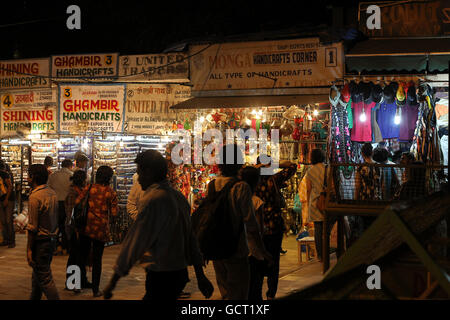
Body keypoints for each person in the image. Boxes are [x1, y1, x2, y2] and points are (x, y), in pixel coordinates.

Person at [102, 150, 214, 300]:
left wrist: (113, 281)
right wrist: (200, 276)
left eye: (139, 172)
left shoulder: (153, 200)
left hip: (161, 274)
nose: (139, 178)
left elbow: (135, 242)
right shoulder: (178, 197)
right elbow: (190, 238)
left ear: (148, 172)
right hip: (179, 273)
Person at [206, 144, 271, 300]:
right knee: (240, 294)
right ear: (239, 163)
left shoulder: (212, 185)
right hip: (235, 248)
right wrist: (262, 250)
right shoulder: (241, 187)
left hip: (217, 248)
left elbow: (209, 217)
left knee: (225, 292)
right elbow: (251, 224)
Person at [254, 156, 296, 300]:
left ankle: (257, 294)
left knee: (258, 260)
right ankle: (271, 294)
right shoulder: (274, 179)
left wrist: (257, 166)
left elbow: (241, 171)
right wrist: (274, 163)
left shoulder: (252, 181)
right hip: (274, 226)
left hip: (257, 227)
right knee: (273, 260)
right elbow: (292, 166)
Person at [77, 165, 118, 297]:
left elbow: (77, 202)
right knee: (97, 259)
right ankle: (95, 289)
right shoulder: (110, 192)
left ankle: (76, 285)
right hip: (100, 229)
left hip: (86, 227)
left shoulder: (89, 188)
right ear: (109, 178)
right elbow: (114, 213)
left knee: (81, 257)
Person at [25, 164, 60, 300]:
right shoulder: (52, 193)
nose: (27, 179)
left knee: (45, 279)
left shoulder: (35, 197)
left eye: (29, 175)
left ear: (34, 177)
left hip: (41, 243)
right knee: (37, 278)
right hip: (51, 240)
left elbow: (33, 227)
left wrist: (29, 249)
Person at [303, 148, 336, 262]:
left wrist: (308, 203)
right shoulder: (328, 168)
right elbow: (333, 186)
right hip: (327, 202)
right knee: (327, 228)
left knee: (318, 229)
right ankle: (328, 251)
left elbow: (308, 189)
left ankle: (320, 256)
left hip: (315, 203)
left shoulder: (310, 171)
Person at [240, 165, 266, 301]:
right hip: (254, 252)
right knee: (255, 291)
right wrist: (264, 252)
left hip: (239, 251)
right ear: (257, 182)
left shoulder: (236, 199)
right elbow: (258, 230)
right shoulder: (257, 202)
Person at [351, 143, 380, 245]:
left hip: (363, 199)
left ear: (362, 153)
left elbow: (357, 186)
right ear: (372, 152)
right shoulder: (378, 167)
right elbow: (381, 184)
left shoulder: (360, 168)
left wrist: (355, 200)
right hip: (376, 200)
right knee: (374, 225)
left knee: (363, 225)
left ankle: (364, 246)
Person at [64, 169, 88, 292]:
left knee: (80, 255)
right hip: (74, 228)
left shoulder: (79, 191)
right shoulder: (73, 192)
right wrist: (74, 228)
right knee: (75, 256)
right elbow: (70, 212)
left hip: (79, 227)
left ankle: (81, 280)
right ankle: (72, 283)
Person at [48, 159, 74, 253]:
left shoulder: (53, 175)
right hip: (67, 204)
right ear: (70, 166)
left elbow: (48, 188)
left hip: (55, 203)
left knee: (56, 225)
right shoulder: (71, 176)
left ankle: (55, 246)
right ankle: (65, 246)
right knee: (66, 225)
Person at [0, 160, 15, 248]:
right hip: (2, 199)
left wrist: (6, 199)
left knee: (8, 220)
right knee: (3, 220)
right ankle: (6, 239)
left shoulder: (4, 174)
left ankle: (11, 241)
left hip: (8, 199)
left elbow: (10, 186)